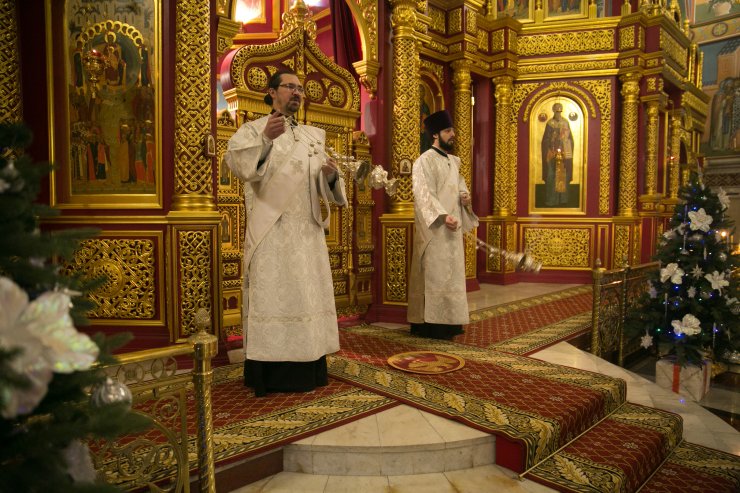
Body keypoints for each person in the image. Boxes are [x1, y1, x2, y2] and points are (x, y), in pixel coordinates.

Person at [223, 70, 346, 396]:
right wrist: (265, 139)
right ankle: (271, 374)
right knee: (274, 299)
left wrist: (330, 177)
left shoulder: (312, 136)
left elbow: (323, 189)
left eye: (300, 88)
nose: (297, 92)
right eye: (290, 86)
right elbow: (239, 167)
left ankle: (310, 364)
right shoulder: (251, 130)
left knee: (306, 297)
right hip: (272, 233)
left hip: (307, 235)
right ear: (272, 92)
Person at [408, 109, 478, 340]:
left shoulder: (454, 161)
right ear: (435, 134)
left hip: (453, 229)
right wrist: (442, 216)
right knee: (435, 275)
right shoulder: (424, 161)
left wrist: (465, 198)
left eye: (452, 130)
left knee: (452, 275)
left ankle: (451, 321)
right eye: (448, 131)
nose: (453, 134)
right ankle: (432, 325)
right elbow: (423, 194)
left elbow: (460, 187)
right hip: (436, 229)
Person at [541, 102, 574, 206]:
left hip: (563, 154)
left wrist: (565, 140)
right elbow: (545, 140)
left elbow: (570, 139)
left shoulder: (565, 123)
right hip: (552, 154)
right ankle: (551, 200)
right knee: (551, 176)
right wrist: (552, 141)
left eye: (560, 111)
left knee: (563, 175)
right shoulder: (550, 123)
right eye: (556, 111)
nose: (558, 113)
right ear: (553, 111)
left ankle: (563, 200)